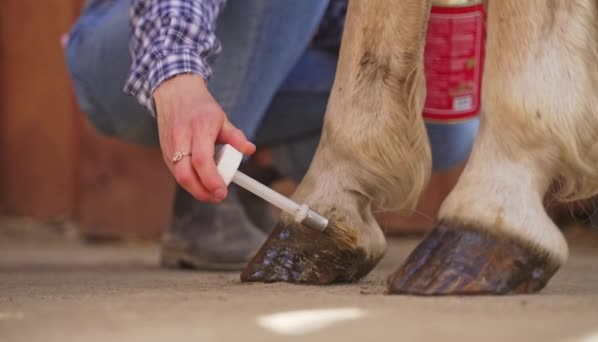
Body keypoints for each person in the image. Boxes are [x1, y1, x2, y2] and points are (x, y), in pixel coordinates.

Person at [64, 0, 479, 270]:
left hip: (269, 63)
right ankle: (201, 209)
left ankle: (244, 173)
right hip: (134, 51)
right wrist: (178, 77)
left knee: (438, 126)